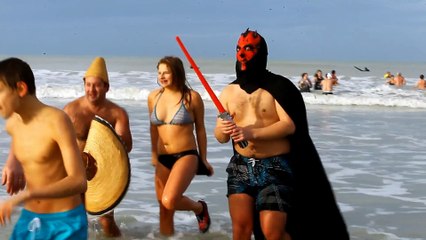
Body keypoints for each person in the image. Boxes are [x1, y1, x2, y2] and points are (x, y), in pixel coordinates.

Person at [214, 29, 349, 240]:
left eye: (248, 48)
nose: (242, 54)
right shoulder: (228, 92)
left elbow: (289, 126)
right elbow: (221, 137)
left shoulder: (278, 87)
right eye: (239, 49)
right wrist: (222, 130)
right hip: (241, 166)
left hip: (274, 167)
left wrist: (251, 132)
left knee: (272, 233)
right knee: (240, 229)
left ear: (261, 53)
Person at [0, 57, 88, 238]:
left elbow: (78, 180)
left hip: (65, 223)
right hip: (30, 220)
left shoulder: (57, 121)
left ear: (21, 89)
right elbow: (20, 135)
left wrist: (27, 195)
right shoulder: (13, 123)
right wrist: (12, 161)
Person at [63, 56, 133, 237]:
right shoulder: (71, 110)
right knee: (76, 220)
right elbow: (58, 144)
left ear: (106, 87)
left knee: (107, 221)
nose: (91, 90)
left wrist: (114, 140)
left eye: (96, 85)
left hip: (103, 174)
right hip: (75, 173)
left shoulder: (117, 113)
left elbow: (127, 146)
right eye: (88, 85)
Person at [148, 56, 213, 236]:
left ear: (176, 72)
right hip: (163, 157)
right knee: (164, 209)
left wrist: (204, 158)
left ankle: (199, 208)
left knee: (169, 200)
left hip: (186, 155)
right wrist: (154, 153)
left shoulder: (192, 97)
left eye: (166, 72)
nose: (162, 76)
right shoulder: (153, 97)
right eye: (159, 72)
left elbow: (200, 129)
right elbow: (153, 128)